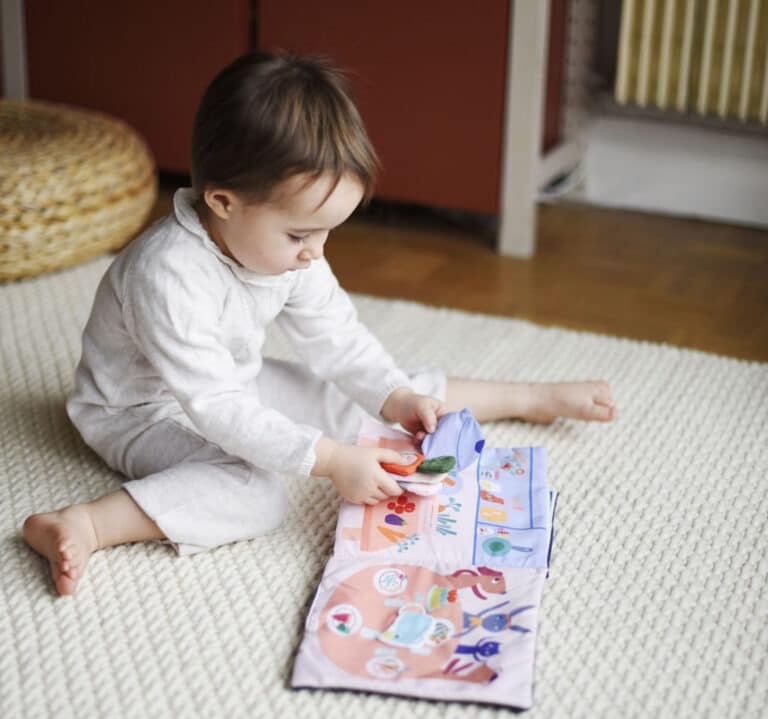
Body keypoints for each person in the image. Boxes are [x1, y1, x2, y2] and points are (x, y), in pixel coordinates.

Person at [22, 50, 616, 597]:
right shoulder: (167, 275)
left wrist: (395, 394)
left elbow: (336, 337)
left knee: (364, 400)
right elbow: (215, 407)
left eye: (328, 231)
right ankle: (87, 522)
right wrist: (329, 459)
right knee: (256, 491)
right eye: (300, 234)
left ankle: (525, 396)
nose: (315, 251)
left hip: (232, 382)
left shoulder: (286, 250)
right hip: (139, 412)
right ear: (223, 202)